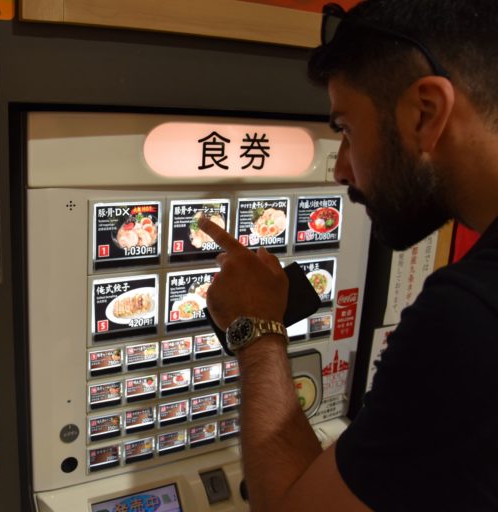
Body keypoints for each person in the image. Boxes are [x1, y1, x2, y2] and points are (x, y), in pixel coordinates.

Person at [199, 0, 498, 510]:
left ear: (426, 112)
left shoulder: (468, 319)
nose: (340, 170)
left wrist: (256, 328)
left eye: (346, 130)